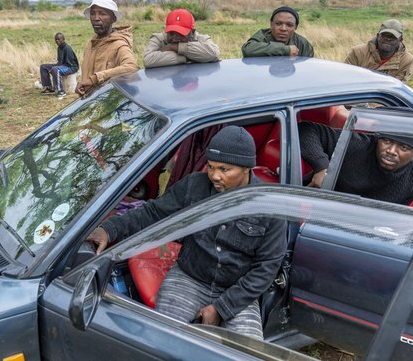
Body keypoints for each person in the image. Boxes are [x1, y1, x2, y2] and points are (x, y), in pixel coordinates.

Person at [87, 126, 287, 339]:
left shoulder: (269, 207)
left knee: (245, 353)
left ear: (247, 168)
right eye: (210, 167)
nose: (214, 176)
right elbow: (153, 212)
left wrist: (222, 308)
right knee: (162, 340)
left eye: (224, 169)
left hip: (238, 292)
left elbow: (266, 268)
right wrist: (109, 229)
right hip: (189, 278)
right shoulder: (194, 186)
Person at [299, 118, 413, 205]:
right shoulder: (356, 144)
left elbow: (393, 220)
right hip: (315, 206)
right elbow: (305, 129)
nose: (391, 151)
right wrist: (321, 166)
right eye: (386, 141)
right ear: (378, 139)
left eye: (403, 147)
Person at [75, 0, 139, 96]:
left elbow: (132, 68)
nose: (96, 18)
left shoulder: (119, 44)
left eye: (102, 13)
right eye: (93, 13)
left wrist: (95, 79)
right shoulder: (91, 44)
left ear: (113, 18)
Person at [143, 8, 220, 68]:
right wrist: (187, 58)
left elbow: (214, 53)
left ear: (192, 32)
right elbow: (148, 60)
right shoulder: (158, 38)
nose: (175, 38)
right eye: (171, 33)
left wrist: (174, 47)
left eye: (180, 34)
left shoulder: (201, 39)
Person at [345, 19, 413, 83]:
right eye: (384, 35)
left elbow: (397, 86)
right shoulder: (357, 52)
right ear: (378, 36)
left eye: (393, 37)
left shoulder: (406, 59)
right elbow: (346, 78)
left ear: (400, 40)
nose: (388, 39)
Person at [242, 6, 314, 58]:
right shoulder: (263, 36)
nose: (283, 29)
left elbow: (307, 66)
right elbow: (247, 49)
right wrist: (286, 50)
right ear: (271, 24)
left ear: (295, 27)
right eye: (278, 24)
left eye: (289, 25)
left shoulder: (302, 44)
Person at [39, 32, 80, 97]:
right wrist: (56, 67)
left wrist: (56, 68)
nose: (57, 41)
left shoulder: (67, 48)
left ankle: (60, 91)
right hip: (62, 65)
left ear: (63, 39)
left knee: (55, 69)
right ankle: (48, 88)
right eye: (56, 39)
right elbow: (60, 62)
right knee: (43, 67)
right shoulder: (59, 48)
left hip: (71, 67)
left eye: (58, 39)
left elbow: (69, 64)